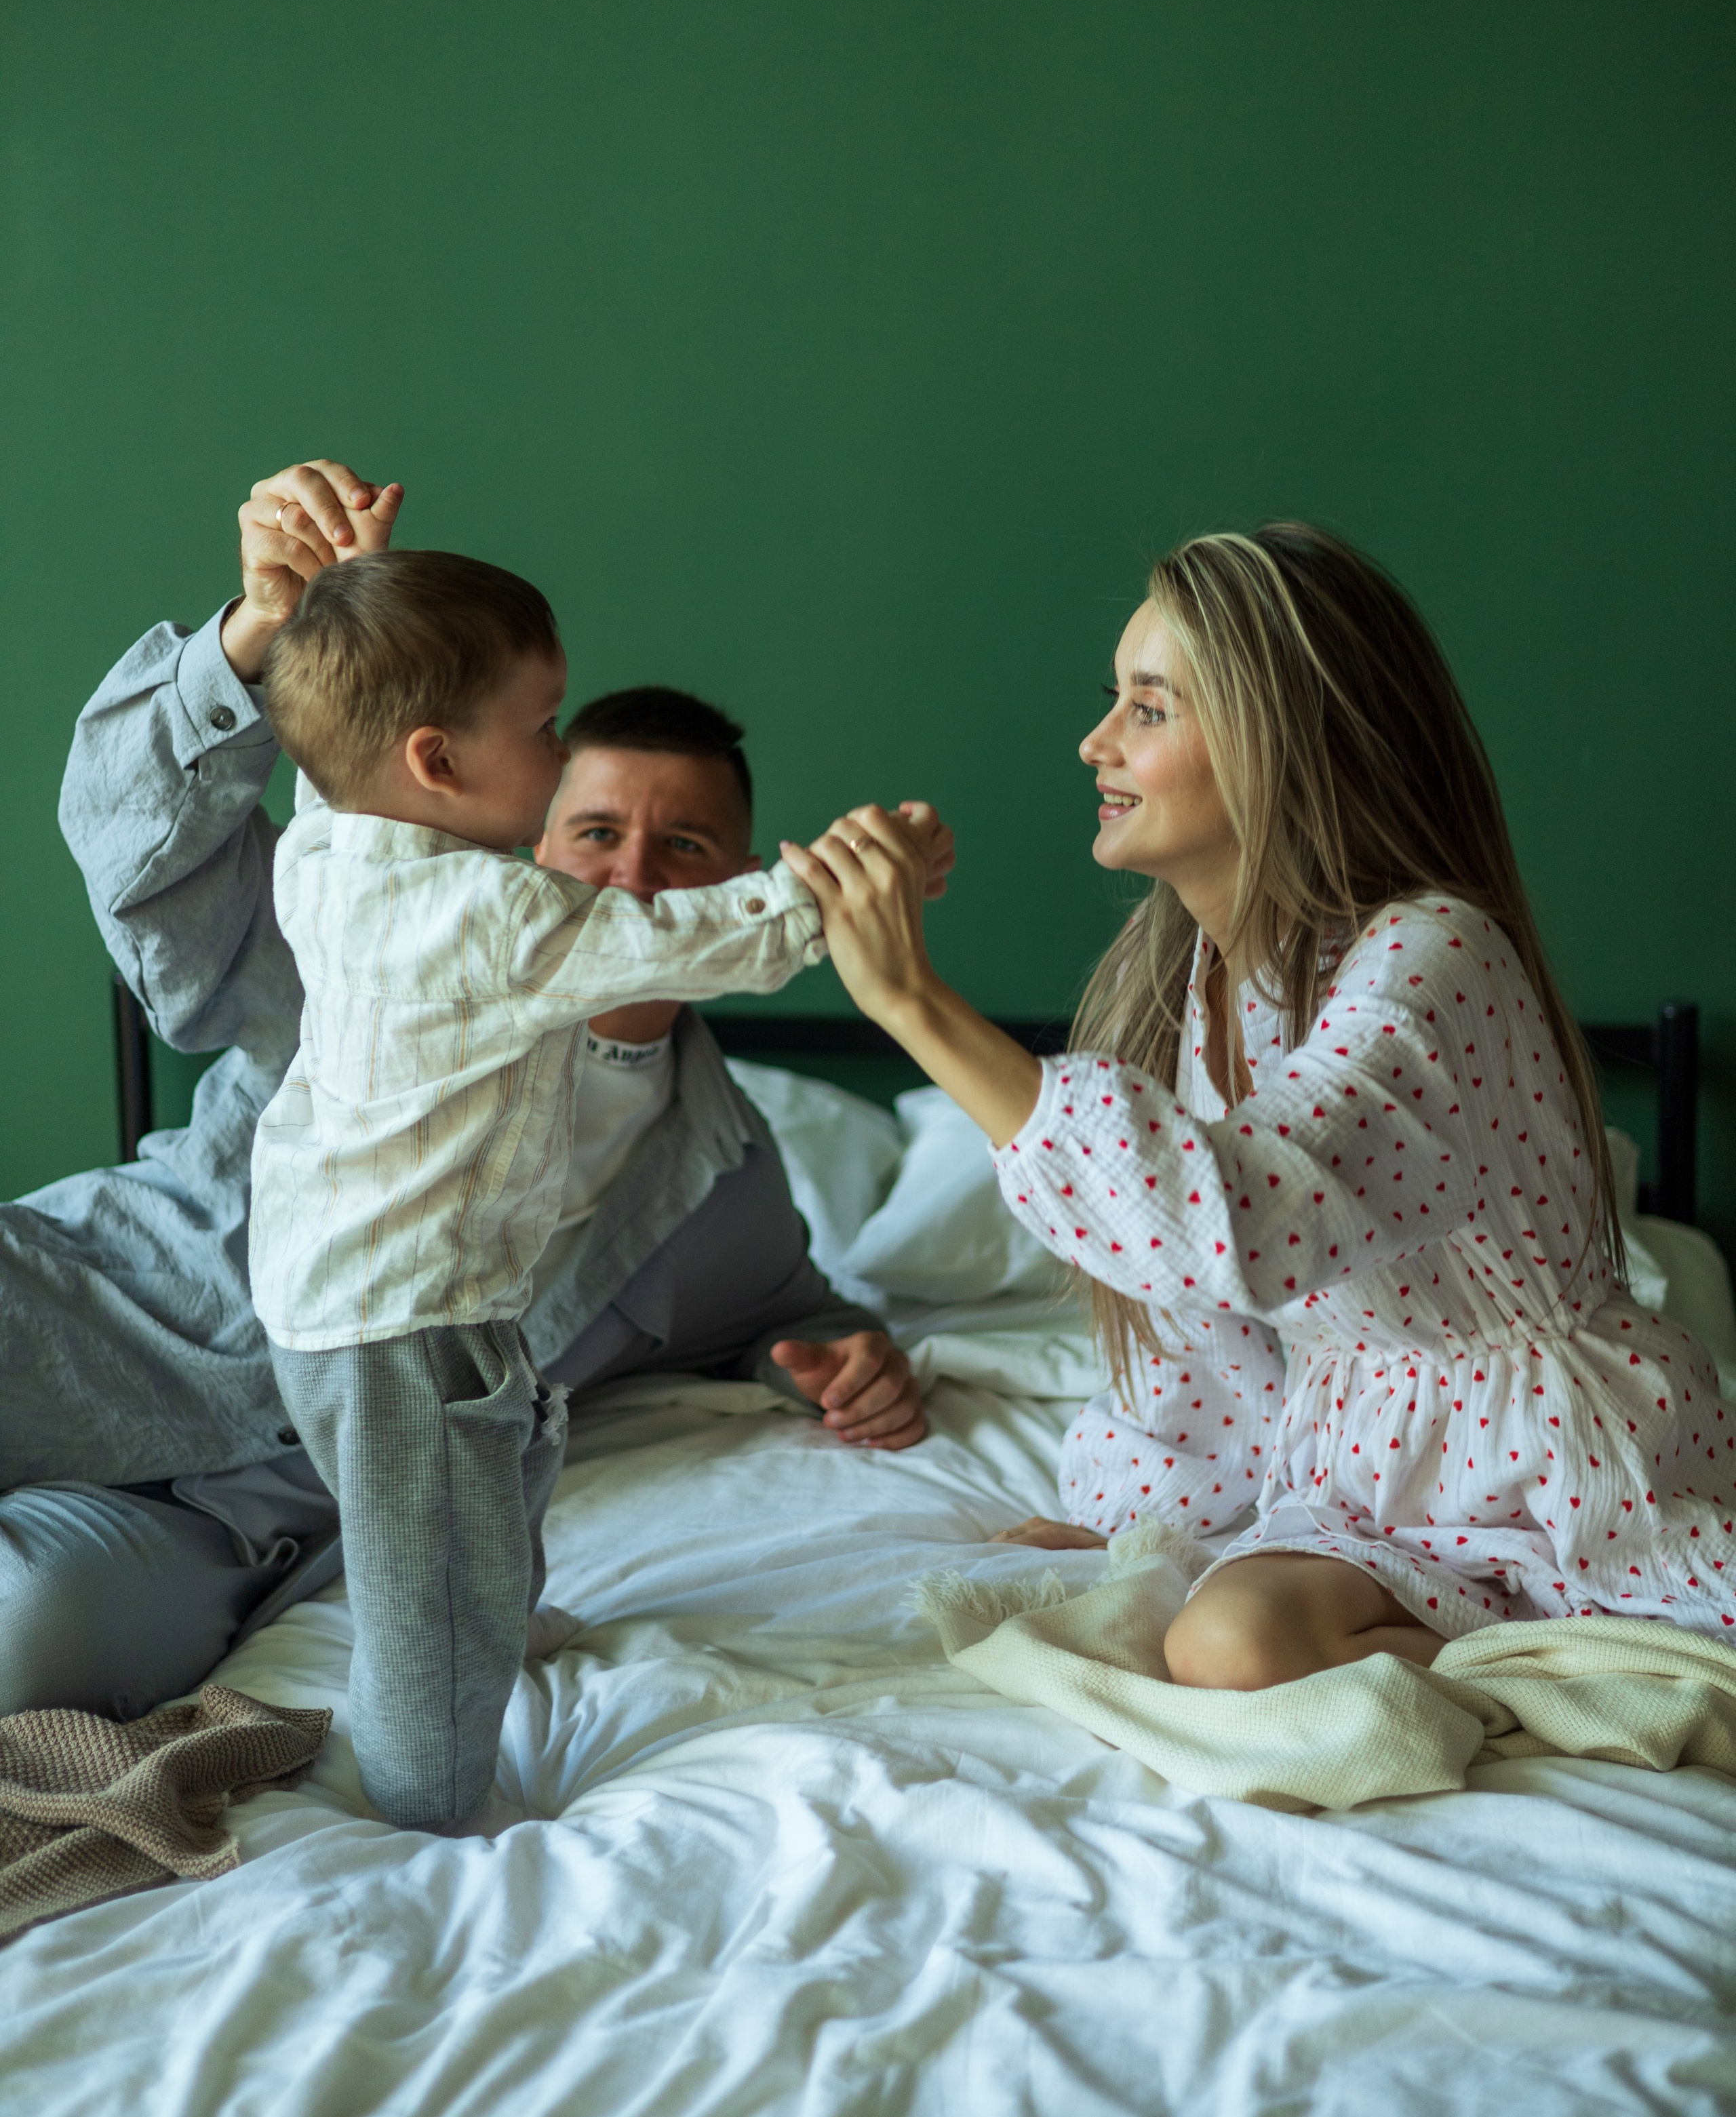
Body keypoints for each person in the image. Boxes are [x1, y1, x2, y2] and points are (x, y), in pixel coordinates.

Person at [0, 460, 926, 1728]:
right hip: (101, 1324)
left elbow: (782, 1312)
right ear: (523, 829)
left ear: (738, 882)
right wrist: (258, 634)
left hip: (252, 1521)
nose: (635, 880)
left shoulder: (724, 1173)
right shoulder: (362, 933)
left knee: (26, 1641)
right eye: (596, 830)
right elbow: (128, 837)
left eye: (688, 849)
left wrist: (842, 1360)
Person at [784, 522, 1735, 1690]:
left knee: (1228, 1647)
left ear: (1282, 741)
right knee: (1225, 1638)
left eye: (1148, 708)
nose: (1095, 744)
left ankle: (1584, 1640)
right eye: (1113, 702)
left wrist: (913, 1002)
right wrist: (1148, 1529)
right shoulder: (1195, 981)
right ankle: (1498, 1650)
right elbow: (1211, 1323)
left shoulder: (1433, 956)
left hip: (1560, 1481)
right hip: (1362, 1477)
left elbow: (1240, 1219)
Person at [250, 546, 947, 1827]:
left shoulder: (324, 849)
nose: (559, 748)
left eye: (686, 844)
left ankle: (501, 1612)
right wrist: (835, 886)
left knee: (505, 1455)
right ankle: (426, 1804)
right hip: (404, 1314)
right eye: (544, 731)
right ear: (436, 762)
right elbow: (683, 937)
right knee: (427, 1578)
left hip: (348, 1294)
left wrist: (345, 624)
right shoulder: (492, 917)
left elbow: (331, 753)